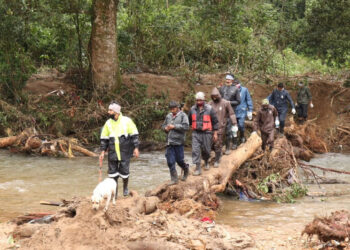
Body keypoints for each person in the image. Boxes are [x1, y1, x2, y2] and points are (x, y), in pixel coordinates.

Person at [99, 102, 140, 197]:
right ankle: (115, 193)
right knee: (113, 174)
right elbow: (104, 138)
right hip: (112, 152)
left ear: (116, 112)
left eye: (110, 110)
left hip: (125, 151)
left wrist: (136, 148)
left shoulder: (127, 121)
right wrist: (102, 151)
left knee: (125, 172)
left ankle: (125, 187)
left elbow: (134, 135)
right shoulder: (108, 123)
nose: (108, 112)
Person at [188, 92, 219, 175]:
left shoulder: (209, 109)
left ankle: (206, 161)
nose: (198, 102)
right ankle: (198, 168)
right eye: (197, 100)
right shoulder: (192, 109)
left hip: (207, 132)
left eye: (200, 100)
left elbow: (215, 122)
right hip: (196, 132)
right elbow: (190, 120)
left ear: (204, 99)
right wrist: (192, 127)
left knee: (206, 150)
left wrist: (215, 133)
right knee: (195, 150)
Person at [161, 101, 190, 184]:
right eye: (171, 109)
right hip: (169, 142)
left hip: (179, 142)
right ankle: (174, 179)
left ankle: (185, 168)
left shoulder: (183, 116)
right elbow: (163, 126)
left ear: (177, 108)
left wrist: (174, 127)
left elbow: (186, 127)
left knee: (180, 160)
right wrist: (165, 128)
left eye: (173, 108)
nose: (172, 110)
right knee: (170, 161)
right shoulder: (168, 116)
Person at [209, 87, 237, 166]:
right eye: (213, 97)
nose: (214, 98)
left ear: (219, 95)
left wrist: (234, 123)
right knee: (210, 144)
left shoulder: (225, 103)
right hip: (210, 128)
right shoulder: (209, 104)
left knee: (218, 143)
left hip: (221, 126)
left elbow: (231, 113)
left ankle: (217, 160)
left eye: (216, 96)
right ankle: (217, 155)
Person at [219, 74, 241, 151]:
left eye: (229, 80)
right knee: (220, 130)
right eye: (226, 79)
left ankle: (228, 148)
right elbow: (218, 99)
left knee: (228, 130)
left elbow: (238, 101)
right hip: (221, 113)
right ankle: (218, 148)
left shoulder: (235, 89)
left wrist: (229, 102)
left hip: (230, 113)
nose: (227, 81)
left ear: (232, 80)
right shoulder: (222, 88)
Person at [232, 78, 253, 147]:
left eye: (236, 84)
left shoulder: (244, 90)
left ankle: (242, 137)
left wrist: (250, 110)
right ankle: (234, 142)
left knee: (241, 125)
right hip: (233, 111)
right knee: (234, 128)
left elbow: (248, 99)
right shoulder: (231, 90)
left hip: (242, 111)